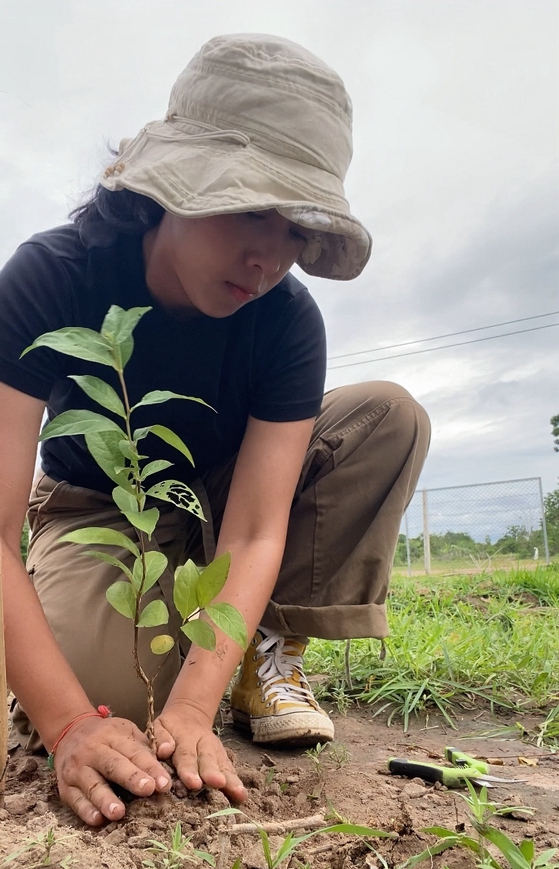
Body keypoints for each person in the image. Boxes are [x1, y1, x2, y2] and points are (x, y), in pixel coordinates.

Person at [0, 34, 430, 827]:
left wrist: (195, 709)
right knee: (115, 701)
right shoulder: (56, 274)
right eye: (247, 208)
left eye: (295, 226)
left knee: (386, 415)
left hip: (225, 504)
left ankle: (258, 658)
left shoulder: (287, 321)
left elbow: (261, 526)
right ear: (171, 186)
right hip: (99, 508)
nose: (269, 255)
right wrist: (67, 724)